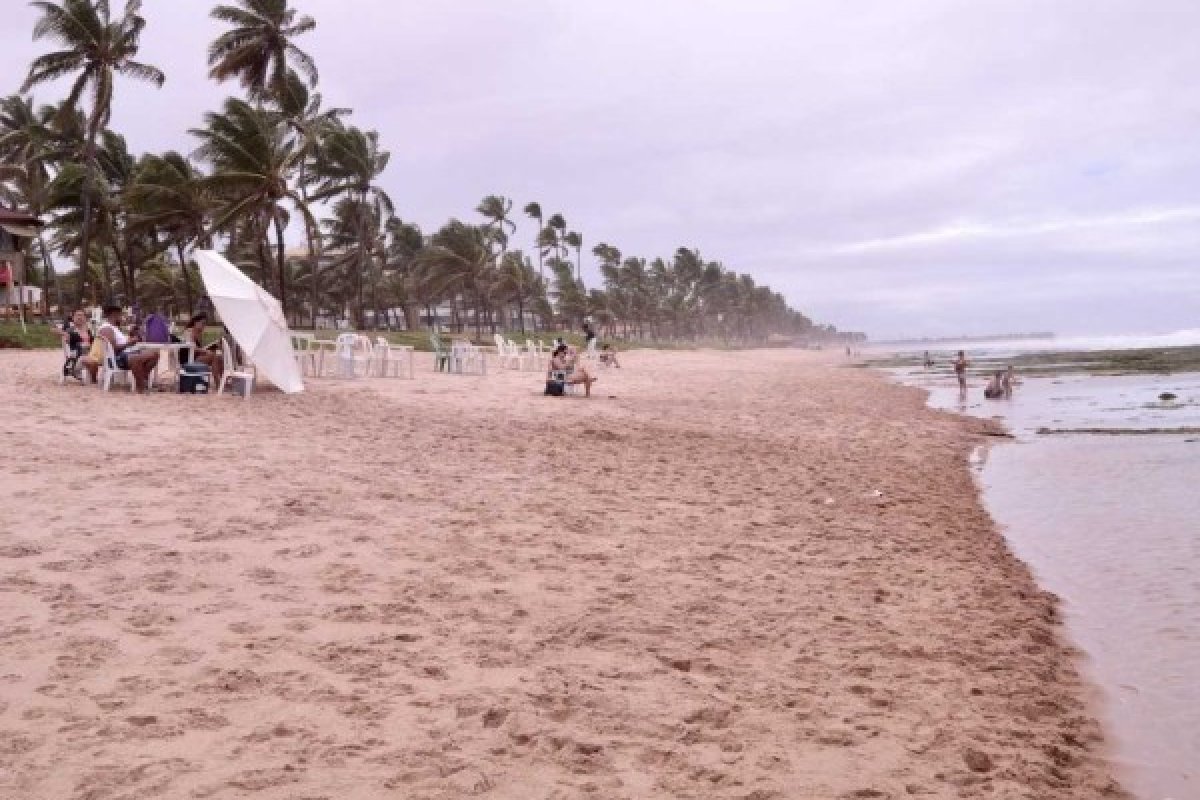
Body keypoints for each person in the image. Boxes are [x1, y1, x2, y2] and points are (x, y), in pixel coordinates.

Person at [96, 305, 161, 392]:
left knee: (154, 354)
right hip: (116, 359)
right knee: (136, 358)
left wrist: (132, 340)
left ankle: (143, 378)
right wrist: (129, 343)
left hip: (125, 355)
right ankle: (141, 386)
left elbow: (121, 344)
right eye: (120, 315)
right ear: (113, 315)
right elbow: (114, 349)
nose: (121, 317)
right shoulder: (106, 328)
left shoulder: (115, 328)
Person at [180, 312, 224, 385]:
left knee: (219, 357)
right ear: (195, 322)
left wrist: (210, 347)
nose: (204, 326)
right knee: (213, 357)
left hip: (195, 356)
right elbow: (192, 347)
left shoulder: (198, 333)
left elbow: (199, 348)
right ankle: (218, 383)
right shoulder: (188, 332)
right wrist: (206, 351)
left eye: (205, 324)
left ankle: (224, 381)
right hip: (188, 359)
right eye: (202, 323)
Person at [59, 309, 100, 383]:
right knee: (92, 361)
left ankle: (98, 378)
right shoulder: (70, 331)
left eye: (81, 315)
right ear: (73, 318)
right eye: (77, 315)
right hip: (77, 357)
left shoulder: (89, 331)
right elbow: (67, 340)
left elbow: (94, 343)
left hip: (90, 354)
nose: (79, 317)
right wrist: (64, 335)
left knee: (103, 357)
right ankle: (93, 379)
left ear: (85, 318)